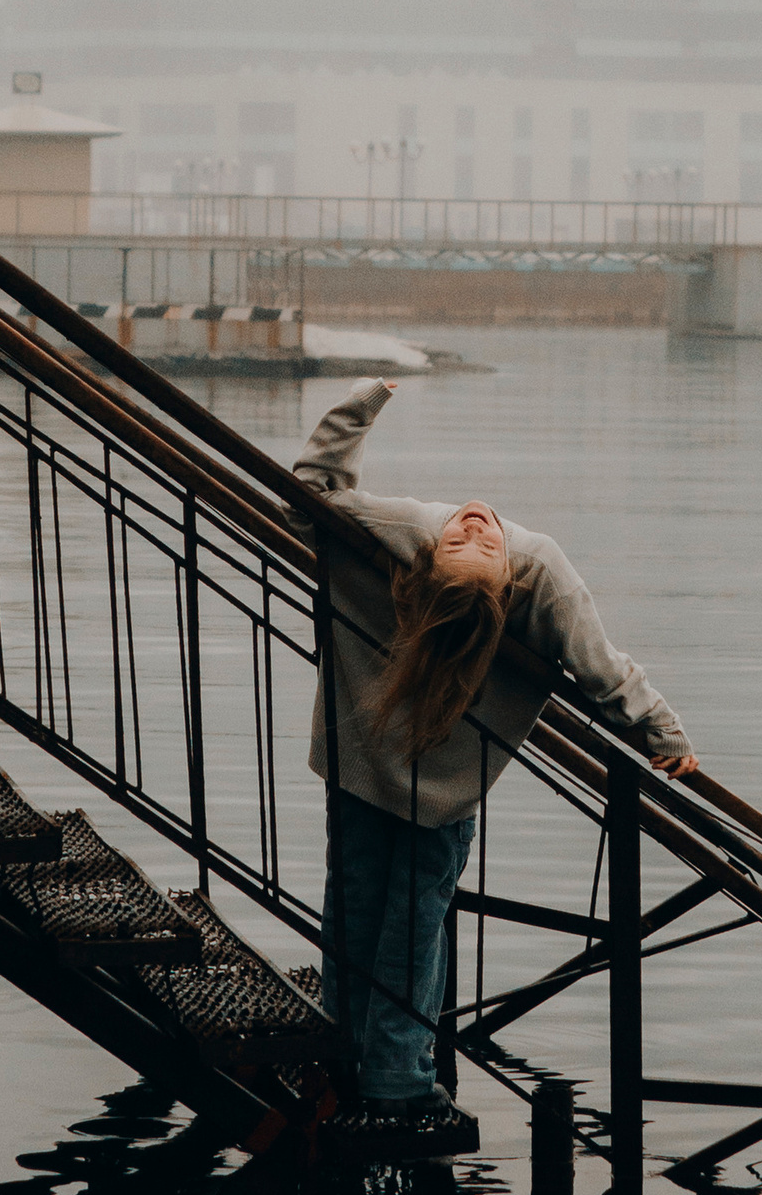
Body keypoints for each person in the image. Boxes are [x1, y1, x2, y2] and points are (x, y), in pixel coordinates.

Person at [294, 376, 699, 1140]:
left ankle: (367, 1063)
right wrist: (665, 731)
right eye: (466, 541)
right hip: (407, 771)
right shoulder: (525, 564)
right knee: (395, 918)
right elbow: (601, 669)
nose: (477, 525)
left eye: (478, 542)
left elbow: (310, 494)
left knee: (381, 913)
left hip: (378, 759)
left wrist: (361, 403)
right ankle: (386, 1074)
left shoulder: (434, 538)